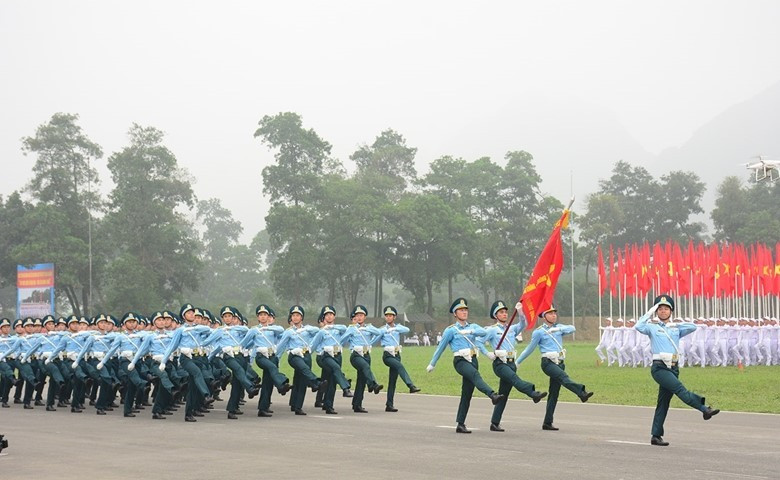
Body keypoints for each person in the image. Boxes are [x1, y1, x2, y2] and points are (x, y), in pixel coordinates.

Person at [635, 295, 720, 446]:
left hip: (673, 367)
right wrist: (650, 312)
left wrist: (675, 324)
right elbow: (639, 326)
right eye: (660, 309)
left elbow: (692, 327)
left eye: (666, 309)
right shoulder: (652, 327)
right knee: (680, 389)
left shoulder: (675, 329)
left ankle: (656, 435)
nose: (663, 311)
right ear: (656, 311)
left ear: (671, 311)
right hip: (660, 367)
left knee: (663, 403)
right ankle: (703, 409)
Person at [427, 298, 504, 433]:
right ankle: (492, 395)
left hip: (473, 359)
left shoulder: (473, 327)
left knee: (467, 393)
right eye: (461, 310)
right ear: (455, 314)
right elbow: (441, 348)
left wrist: (470, 332)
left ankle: (460, 424)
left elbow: (484, 332)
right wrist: (432, 363)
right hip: (460, 361)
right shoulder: (451, 330)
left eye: (465, 310)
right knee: (475, 375)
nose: (464, 312)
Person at [515, 305, 593, 431]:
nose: (554, 315)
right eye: (550, 313)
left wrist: (558, 329)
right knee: (564, 377)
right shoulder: (539, 332)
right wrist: (518, 362)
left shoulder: (559, 328)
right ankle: (581, 392)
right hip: (548, 363)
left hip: (560, 362)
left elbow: (572, 328)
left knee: (554, 394)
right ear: (544, 316)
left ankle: (547, 422)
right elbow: (529, 348)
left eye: (554, 313)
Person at [483, 301, 547, 431]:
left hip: (511, 362)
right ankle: (532, 393)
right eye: (501, 312)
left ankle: (494, 422)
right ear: (496, 315)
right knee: (515, 379)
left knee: (503, 394)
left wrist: (521, 313)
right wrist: (488, 353)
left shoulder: (511, 328)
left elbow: (523, 324)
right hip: (500, 363)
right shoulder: (491, 330)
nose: (505, 314)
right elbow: (478, 342)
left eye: (506, 312)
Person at [340, 305, 383, 413]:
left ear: (365, 317)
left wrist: (368, 327)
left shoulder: (368, 327)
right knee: (365, 367)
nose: (359, 317)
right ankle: (373, 384)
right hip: (356, 355)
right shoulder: (351, 328)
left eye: (361, 315)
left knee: (361, 380)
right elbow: (342, 340)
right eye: (357, 315)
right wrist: (351, 329)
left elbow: (379, 333)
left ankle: (357, 404)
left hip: (366, 354)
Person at [377, 306, 420, 412]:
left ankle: (389, 405)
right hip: (387, 355)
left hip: (396, 354)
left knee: (392, 381)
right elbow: (375, 338)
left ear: (394, 317)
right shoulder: (383, 329)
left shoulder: (398, 328)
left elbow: (407, 329)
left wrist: (395, 328)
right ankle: (410, 385)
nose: (388, 317)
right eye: (386, 316)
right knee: (400, 366)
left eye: (390, 316)